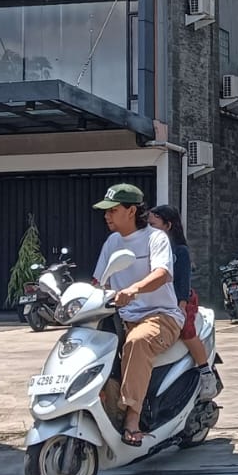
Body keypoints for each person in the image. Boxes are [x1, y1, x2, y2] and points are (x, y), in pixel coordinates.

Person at [91, 182, 184, 448]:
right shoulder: (112, 242)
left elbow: (162, 273)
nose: (107, 215)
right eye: (105, 211)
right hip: (122, 316)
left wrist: (133, 289)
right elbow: (100, 281)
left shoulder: (156, 238)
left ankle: (132, 418)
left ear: (131, 210)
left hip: (160, 316)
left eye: (113, 210)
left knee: (137, 342)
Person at [148, 204, 219, 403]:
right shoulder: (149, 248)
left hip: (180, 300)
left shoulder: (179, 251)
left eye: (153, 224)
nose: (149, 229)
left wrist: (181, 304)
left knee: (186, 332)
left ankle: (206, 373)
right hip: (156, 301)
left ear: (167, 225)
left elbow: (183, 280)